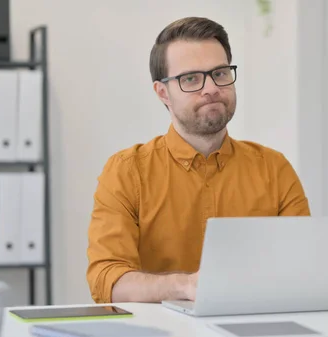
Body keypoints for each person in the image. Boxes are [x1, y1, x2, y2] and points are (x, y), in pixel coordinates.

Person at [86, 16, 310, 304]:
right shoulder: (126, 173)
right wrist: (184, 286)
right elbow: (108, 281)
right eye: (191, 78)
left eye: (220, 73)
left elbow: (305, 269)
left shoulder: (274, 169)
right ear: (163, 93)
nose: (211, 88)